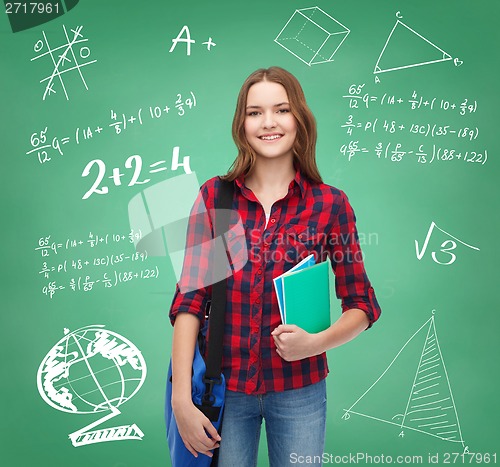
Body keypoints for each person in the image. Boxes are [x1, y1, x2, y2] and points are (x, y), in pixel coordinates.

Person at [168, 66, 381, 466]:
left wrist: (315, 344)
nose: (268, 123)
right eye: (255, 112)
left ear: (299, 118)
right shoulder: (217, 196)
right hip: (223, 390)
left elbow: (362, 304)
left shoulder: (330, 205)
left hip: (300, 390)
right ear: (242, 123)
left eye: (281, 110)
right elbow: (190, 300)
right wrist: (182, 397)